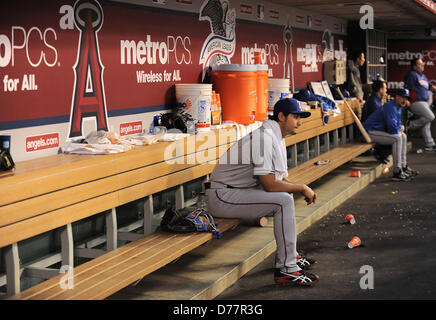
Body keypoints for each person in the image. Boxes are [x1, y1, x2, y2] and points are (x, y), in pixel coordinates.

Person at [205, 98, 319, 286]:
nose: (300, 122)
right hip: (222, 196)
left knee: (285, 196)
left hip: (234, 191)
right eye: (295, 117)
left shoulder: (271, 135)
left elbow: (278, 181)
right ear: (281, 116)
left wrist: (298, 187)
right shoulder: (264, 139)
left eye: (300, 117)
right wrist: (302, 187)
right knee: (283, 200)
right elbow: (271, 186)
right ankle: (287, 268)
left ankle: (290, 258)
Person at [363, 89, 418, 181]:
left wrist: (400, 129)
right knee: (397, 138)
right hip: (369, 132)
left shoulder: (398, 107)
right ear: (397, 97)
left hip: (379, 131)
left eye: (406, 98)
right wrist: (399, 130)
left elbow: (398, 126)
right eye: (403, 98)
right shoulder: (390, 107)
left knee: (403, 136)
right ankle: (397, 171)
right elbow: (392, 129)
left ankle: (403, 166)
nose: (405, 100)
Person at [404, 58, 436, 151]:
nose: (422, 65)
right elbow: (406, 88)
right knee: (430, 116)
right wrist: (406, 100)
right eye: (420, 64)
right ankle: (409, 125)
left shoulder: (423, 76)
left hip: (424, 103)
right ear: (414, 66)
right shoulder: (412, 74)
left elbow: (431, 87)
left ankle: (429, 144)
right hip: (415, 102)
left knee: (426, 123)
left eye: (422, 63)